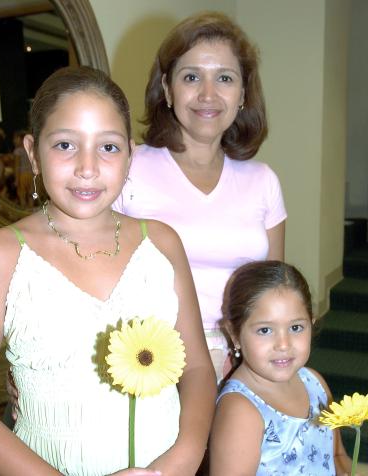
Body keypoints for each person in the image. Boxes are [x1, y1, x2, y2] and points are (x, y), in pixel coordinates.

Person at [0, 65, 216, 476]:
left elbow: (197, 368)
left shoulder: (162, 243)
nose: (87, 167)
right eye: (65, 145)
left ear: (130, 154)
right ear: (33, 152)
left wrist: (181, 460)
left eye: (109, 147)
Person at [115, 11, 287, 380]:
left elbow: (272, 297)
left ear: (243, 93)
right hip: (148, 362)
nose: (207, 94)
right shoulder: (128, 167)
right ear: (167, 88)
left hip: (242, 362)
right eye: (191, 77)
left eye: (224, 78)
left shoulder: (263, 181)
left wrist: (245, 362)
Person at [209, 260, 352, 476]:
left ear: (311, 325)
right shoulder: (241, 411)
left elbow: (337, 455)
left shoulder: (316, 385)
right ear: (234, 334)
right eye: (265, 330)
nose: (284, 344)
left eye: (296, 327)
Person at [13, 129, 35, 207]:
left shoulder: (17, 151)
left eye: (15, 138)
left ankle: (25, 214)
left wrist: (16, 180)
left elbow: (17, 166)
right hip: (32, 175)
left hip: (22, 175)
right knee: (31, 195)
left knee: (22, 195)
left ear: (20, 139)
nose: (14, 141)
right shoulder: (32, 151)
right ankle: (31, 212)